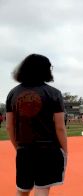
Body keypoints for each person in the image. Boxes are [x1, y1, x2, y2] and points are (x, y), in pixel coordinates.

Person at [6, 54, 67, 196]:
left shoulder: (13, 93)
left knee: (22, 189)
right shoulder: (54, 93)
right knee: (42, 188)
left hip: (24, 149)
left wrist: (19, 148)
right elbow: (60, 127)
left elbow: (9, 126)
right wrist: (65, 150)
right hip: (48, 149)